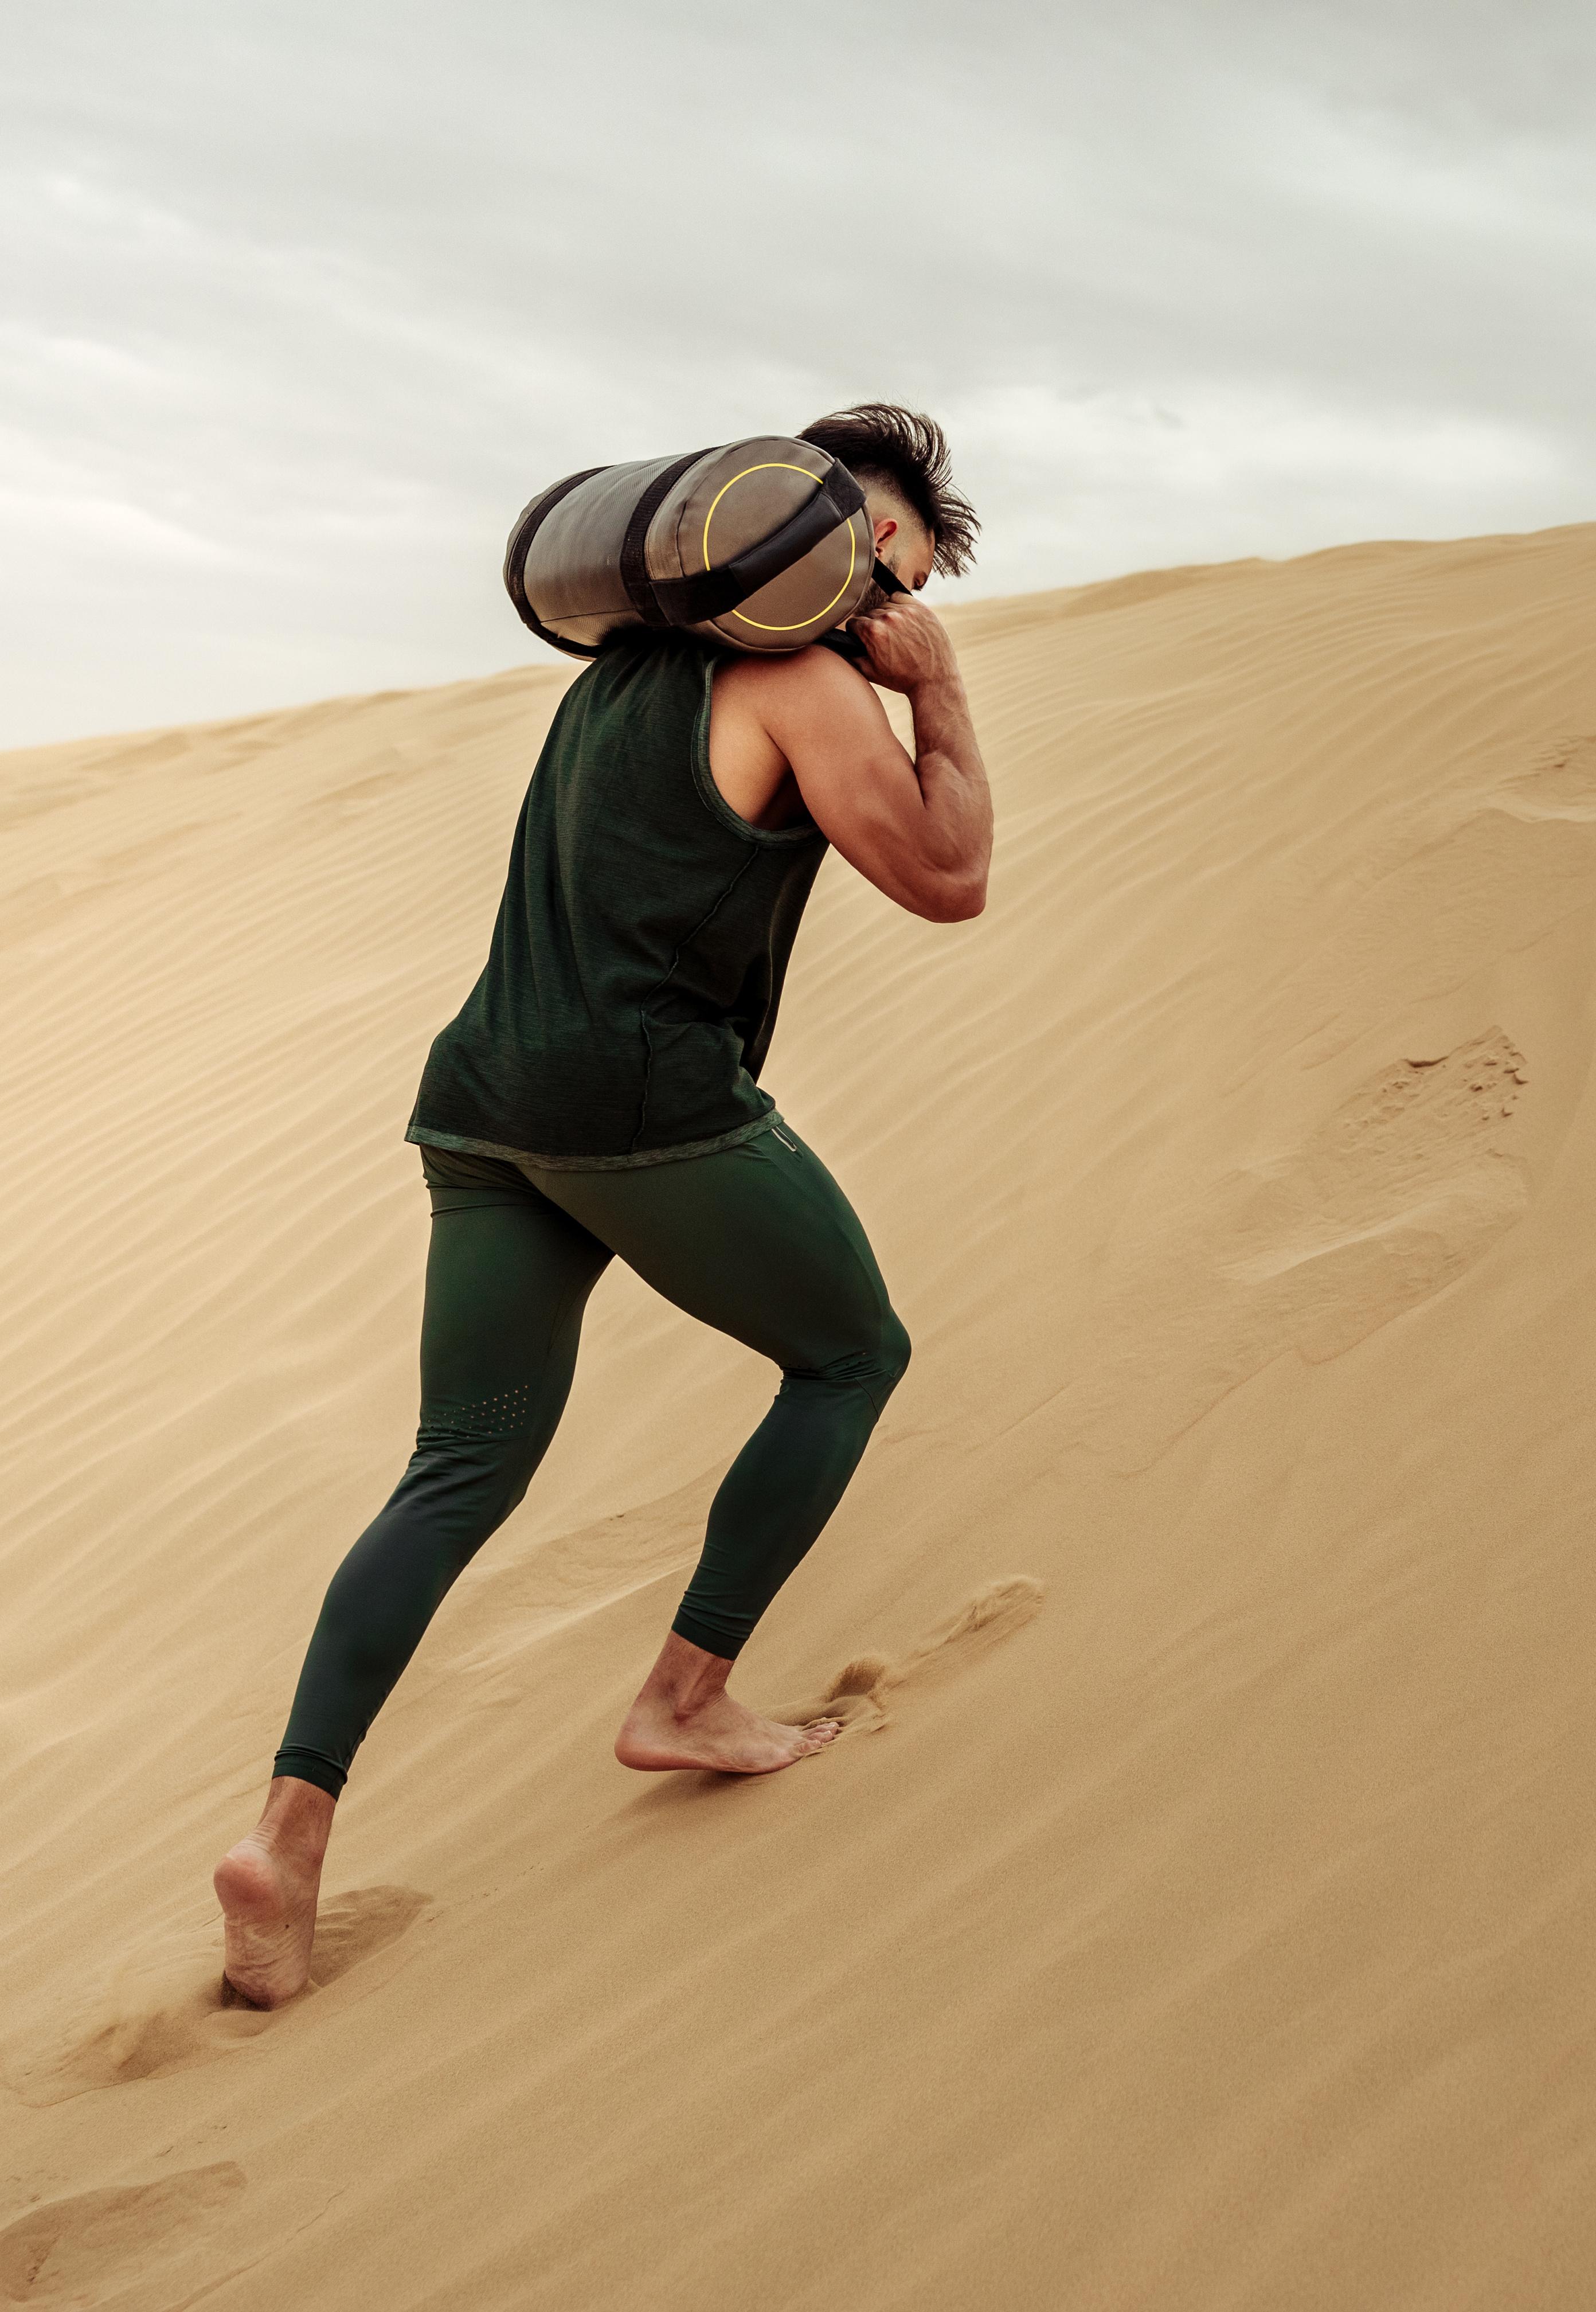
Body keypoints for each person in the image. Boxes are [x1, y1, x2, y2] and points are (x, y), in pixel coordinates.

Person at [213, 404, 993, 2006]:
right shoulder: (806, 683)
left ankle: (286, 1843)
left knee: (456, 1469)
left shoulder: (617, 678)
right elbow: (948, 877)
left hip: (482, 1102)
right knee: (853, 1357)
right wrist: (941, 693)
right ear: (814, 533)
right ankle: (687, 1696)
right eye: (890, 563)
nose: (888, 597)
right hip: (639, 1106)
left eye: (907, 588)